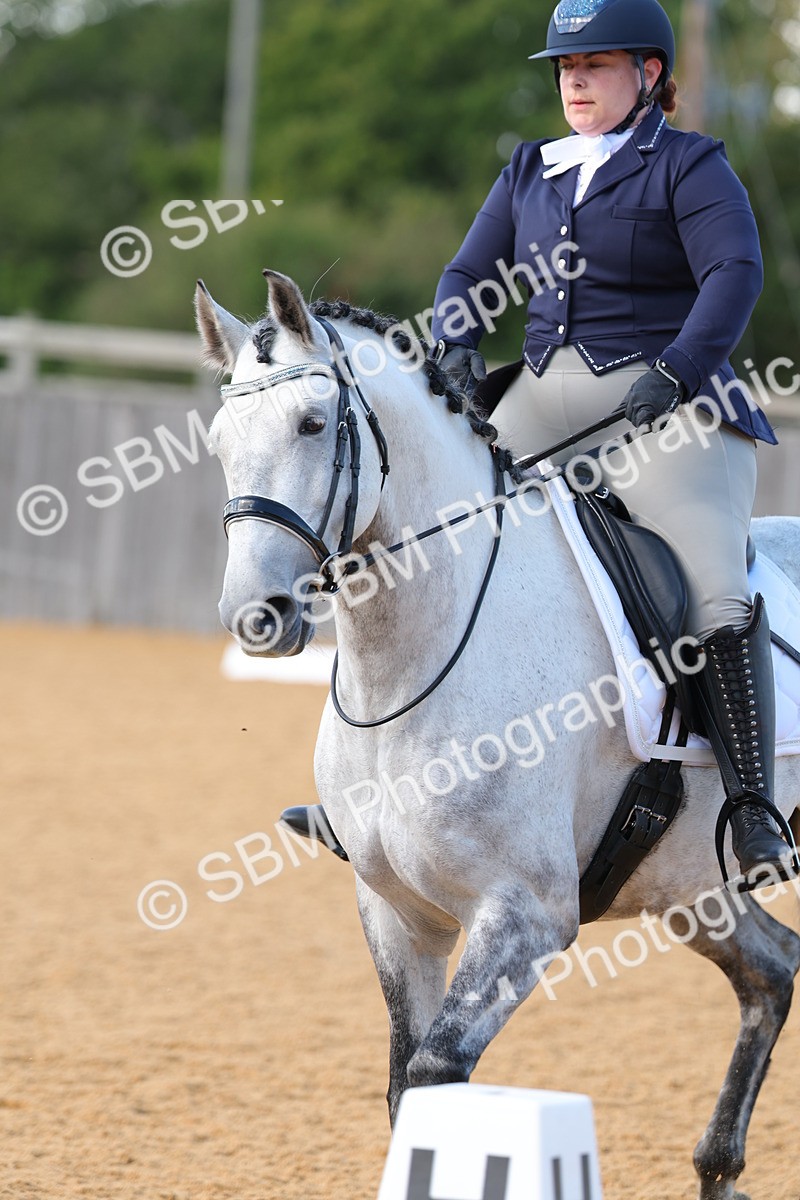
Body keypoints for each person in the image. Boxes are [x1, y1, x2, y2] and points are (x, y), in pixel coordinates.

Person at [283, 0, 794, 884]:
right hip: (543, 403)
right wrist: (453, 338)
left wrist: (677, 370)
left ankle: (752, 810)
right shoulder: (530, 170)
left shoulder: (689, 165)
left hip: (671, 407)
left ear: (649, 74)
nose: (576, 81)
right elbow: (465, 274)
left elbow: (733, 274)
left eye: (595, 65)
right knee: (423, 533)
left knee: (713, 586)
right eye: (565, 68)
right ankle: (371, 789)